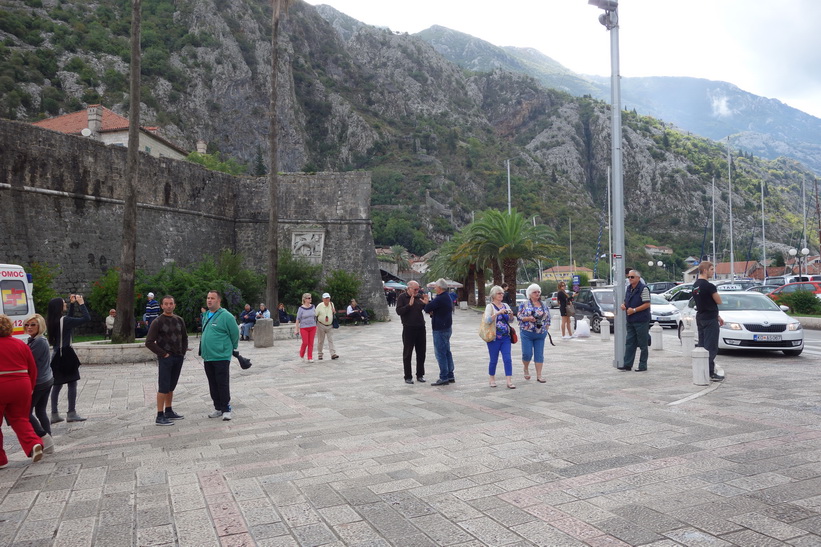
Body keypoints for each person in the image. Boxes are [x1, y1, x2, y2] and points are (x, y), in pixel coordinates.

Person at [0, 315, 44, 467]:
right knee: (20, 419)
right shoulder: (20, 344)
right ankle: (34, 444)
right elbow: (32, 368)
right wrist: (30, 388)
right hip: (22, 384)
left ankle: (0, 459)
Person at [145, 295, 189, 426]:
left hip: (178, 357)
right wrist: (163, 354)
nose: (169, 306)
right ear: (162, 306)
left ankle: (169, 410)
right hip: (166, 358)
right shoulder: (157, 322)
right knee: (163, 387)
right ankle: (160, 415)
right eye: (166, 304)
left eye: (171, 303)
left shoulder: (179, 320)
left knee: (171, 386)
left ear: (174, 305)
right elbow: (149, 342)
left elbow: (185, 337)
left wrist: (182, 352)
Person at [48, 294, 90, 423]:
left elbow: (68, 320)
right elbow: (86, 318)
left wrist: (72, 304)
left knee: (57, 384)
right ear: (59, 307)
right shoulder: (64, 321)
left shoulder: (53, 320)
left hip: (56, 354)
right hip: (66, 353)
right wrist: (81, 303)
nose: (65, 304)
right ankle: (71, 413)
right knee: (72, 383)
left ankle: (54, 414)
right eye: (64, 303)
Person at [199, 290, 238, 421]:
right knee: (212, 383)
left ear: (218, 301)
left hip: (221, 356)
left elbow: (234, 334)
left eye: (212, 298)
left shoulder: (226, 316)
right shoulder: (206, 315)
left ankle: (226, 408)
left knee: (222, 383)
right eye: (208, 298)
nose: (209, 300)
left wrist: (229, 349)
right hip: (208, 356)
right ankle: (218, 407)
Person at [24, 314, 54, 453]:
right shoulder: (35, 340)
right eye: (27, 325)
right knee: (40, 411)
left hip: (39, 382)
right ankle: (49, 441)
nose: (29, 327)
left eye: (33, 325)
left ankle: (44, 437)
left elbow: (28, 361)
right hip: (46, 379)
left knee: (26, 412)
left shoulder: (39, 342)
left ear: (40, 326)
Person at [692, 261, 725, 382]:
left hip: (700, 316)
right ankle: (709, 372)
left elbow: (704, 303)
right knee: (711, 347)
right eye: (711, 269)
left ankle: (702, 371)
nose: (713, 271)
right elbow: (718, 301)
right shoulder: (709, 286)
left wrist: (718, 316)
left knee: (702, 346)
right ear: (705, 270)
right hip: (709, 319)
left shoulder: (695, 285)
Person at [424, 278, 455, 386]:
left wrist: (426, 302)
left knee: (440, 353)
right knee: (447, 351)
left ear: (440, 288)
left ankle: (444, 377)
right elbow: (437, 310)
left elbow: (427, 308)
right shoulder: (447, 297)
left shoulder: (440, 298)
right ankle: (450, 374)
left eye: (436, 287)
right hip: (447, 327)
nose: (435, 289)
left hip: (440, 329)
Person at [396, 281, 427, 384]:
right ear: (409, 288)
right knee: (408, 353)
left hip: (420, 327)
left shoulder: (418, 297)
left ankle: (420, 375)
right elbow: (399, 311)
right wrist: (409, 305)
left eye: (418, 289)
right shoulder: (402, 297)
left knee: (421, 352)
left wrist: (426, 304)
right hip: (409, 328)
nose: (417, 291)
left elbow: (424, 309)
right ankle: (408, 376)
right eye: (415, 289)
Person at [517, 283, 550, 384]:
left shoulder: (544, 305)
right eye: (534, 292)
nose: (537, 294)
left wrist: (546, 328)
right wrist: (528, 318)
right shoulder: (524, 304)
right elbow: (518, 316)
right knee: (527, 354)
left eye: (538, 292)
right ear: (530, 294)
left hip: (540, 333)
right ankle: (526, 368)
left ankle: (539, 375)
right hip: (527, 332)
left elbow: (548, 318)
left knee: (539, 354)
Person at [483, 285, 515, 389]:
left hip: (506, 337)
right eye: (499, 293)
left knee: (507, 359)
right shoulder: (490, 306)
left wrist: (510, 315)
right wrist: (497, 313)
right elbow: (487, 320)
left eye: (502, 293)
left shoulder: (505, 305)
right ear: (493, 295)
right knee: (493, 359)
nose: (501, 295)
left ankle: (509, 381)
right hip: (494, 338)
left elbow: (511, 321)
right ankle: (492, 378)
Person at [620, 270, 651, 372]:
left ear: (638, 278)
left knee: (643, 344)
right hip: (630, 320)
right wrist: (624, 305)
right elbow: (627, 301)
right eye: (629, 277)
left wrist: (634, 310)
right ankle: (627, 364)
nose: (630, 279)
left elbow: (647, 304)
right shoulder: (629, 288)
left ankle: (642, 365)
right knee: (629, 342)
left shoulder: (644, 288)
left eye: (632, 277)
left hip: (641, 320)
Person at [315, 293, 339, 360]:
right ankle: (320, 354)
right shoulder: (319, 306)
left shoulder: (331, 304)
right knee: (320, 340)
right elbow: (315, 315)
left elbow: (333, 312)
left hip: (330, 325)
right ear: (323, 299)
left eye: (328, 298)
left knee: (330, 339)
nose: (327, 299)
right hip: (321, 325)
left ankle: (332, 353)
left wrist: (334, 312)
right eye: (325, 298)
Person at [294, 294, 317, 362]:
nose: (310, 299)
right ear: (305, 299)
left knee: (311, 343)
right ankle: (301, 354)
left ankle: (310, 357)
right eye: (309, 298)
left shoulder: (313, 307)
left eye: (310, 298)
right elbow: (298, 319)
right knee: (305, 342)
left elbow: (315, 316)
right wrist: (296, 329)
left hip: (312, 326)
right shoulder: (301, 309)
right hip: (304, 327)